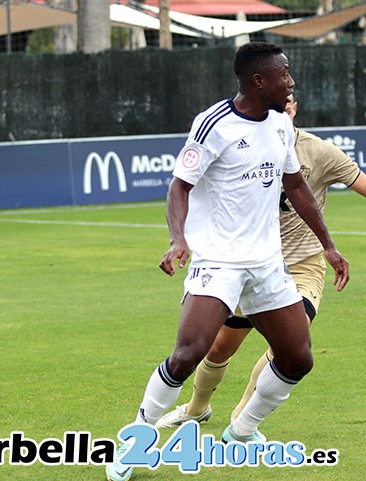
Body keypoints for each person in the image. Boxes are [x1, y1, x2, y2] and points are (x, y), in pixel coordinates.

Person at [106, 42, 349, 481]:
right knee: (188, 353)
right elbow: (179, 187)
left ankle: (242, 429)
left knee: (298, 358)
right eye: (284, 74)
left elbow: (296, 188)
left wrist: (329, 246)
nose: (290, 82)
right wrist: (178, 240)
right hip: (218, 260)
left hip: (267, 263)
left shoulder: (279, 126)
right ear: (259, 81)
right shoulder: (213, 124)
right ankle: (134, 442)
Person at [155, 94, 366, 432]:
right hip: (248, 266)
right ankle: (197, 409)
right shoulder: (236, 139)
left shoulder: (318, 151)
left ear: (294, 109)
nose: (283, 110)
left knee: (289, 345)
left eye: (289, 104)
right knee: (217, 349)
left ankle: (241, 423)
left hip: (301, 266)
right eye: (279, 104)